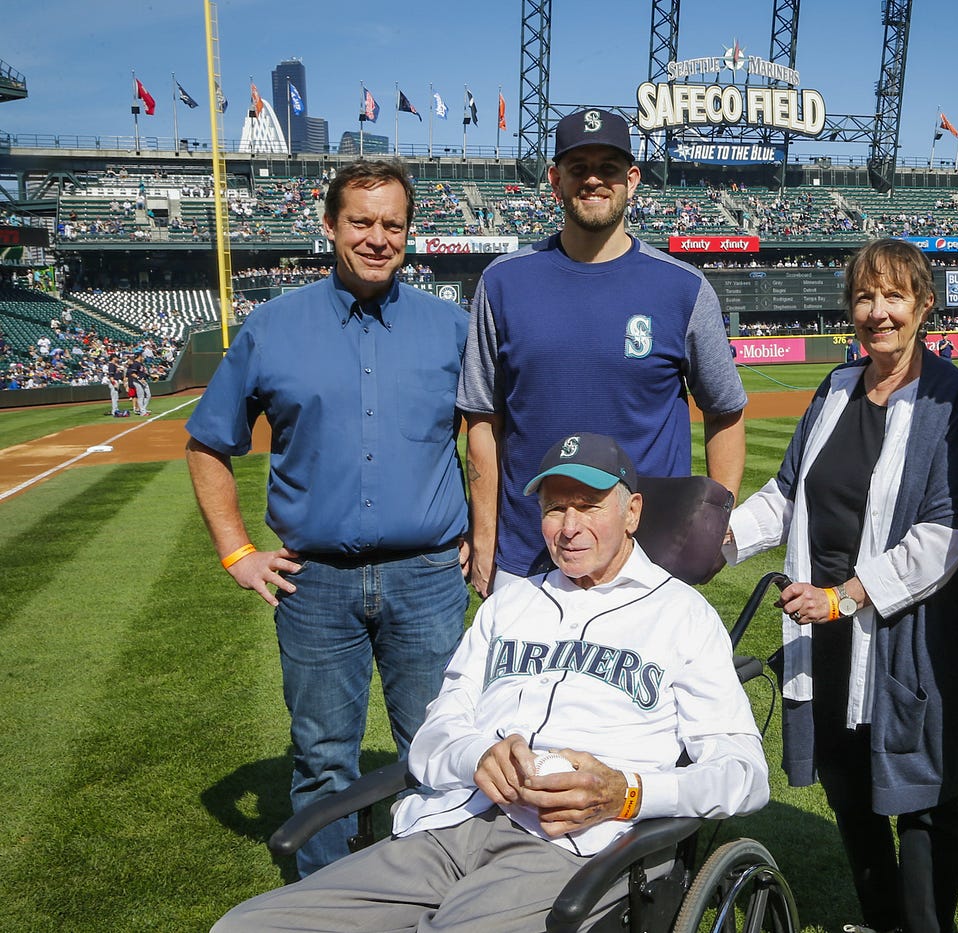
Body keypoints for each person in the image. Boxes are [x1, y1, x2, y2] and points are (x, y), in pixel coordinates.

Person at [213, 432, 768, 933]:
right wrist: (476, 755)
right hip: (451, 825)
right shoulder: (511, 603)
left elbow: (745, 774)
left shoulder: (683, 616)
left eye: (589, 506)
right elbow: (436, 733)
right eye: (554, 509)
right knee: (243, 926)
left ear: (632, 512)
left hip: (580, 850)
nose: (569, 527)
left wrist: (626, 794)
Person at [185, 159, 471, 878]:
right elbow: (207, 443)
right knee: (321, 762)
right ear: (329, 227)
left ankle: (440, 898)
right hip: (314, 585)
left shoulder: (453, 326)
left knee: (439, 751)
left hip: (430, 577)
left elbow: (496, 437)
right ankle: (325, 907)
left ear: (410, 232)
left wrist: (486, 537)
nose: (377, 238)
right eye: (361, 222)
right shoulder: (273, 326)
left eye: (392, 224)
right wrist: (236, 551)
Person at [724, 238, 958, 933]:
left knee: (922, 797)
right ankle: (881, 919)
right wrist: (720, 539)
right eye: (865, 297)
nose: (878, 312)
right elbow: (786, 493)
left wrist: (849, 596)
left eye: (894, 295)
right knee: (848, 785)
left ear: (925, 304)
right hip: (825, 634)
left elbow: (947, 530)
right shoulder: (835, 387)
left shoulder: (951, 400)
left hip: (907, 638)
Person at [459, 108, 747, 597]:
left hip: (650, 560)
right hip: (529, 556)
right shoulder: (502, 283)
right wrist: (486, 539)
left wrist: (714, 526)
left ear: (632, 179)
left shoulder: (683, 288)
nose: (593, 180)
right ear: (555, 180)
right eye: (578, 168)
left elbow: (725, 411)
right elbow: (483, 421)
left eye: (609, 168)